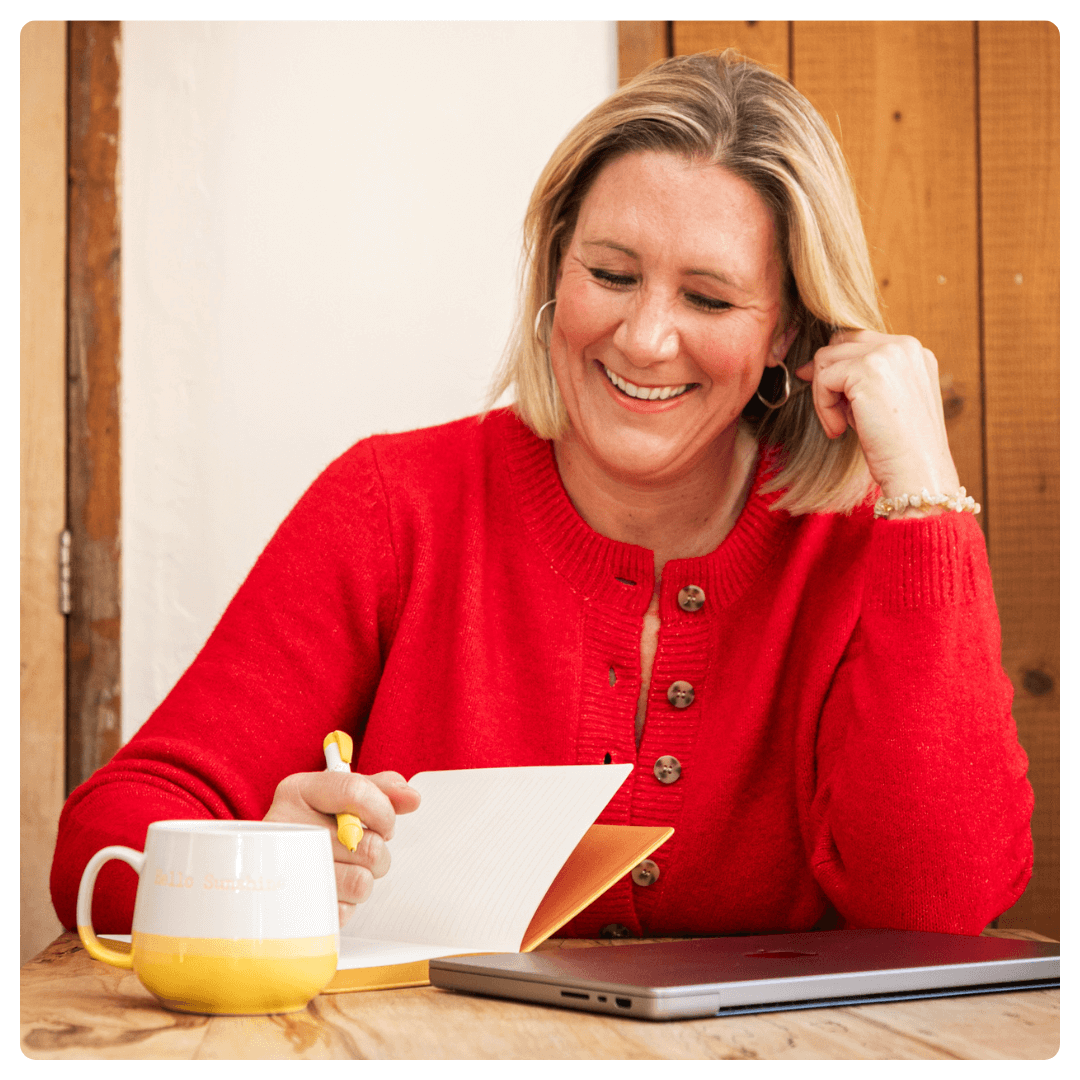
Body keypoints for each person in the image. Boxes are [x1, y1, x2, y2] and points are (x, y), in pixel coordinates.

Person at [51, 51, 1032, 940]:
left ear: (789, 331)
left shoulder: (868, 545)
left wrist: (927, 499)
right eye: (611, 273)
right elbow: (97, 848)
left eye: (709, 298)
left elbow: (939, 910)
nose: (645, 339)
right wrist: (258, 863)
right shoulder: (395, 505)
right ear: (555, 268)